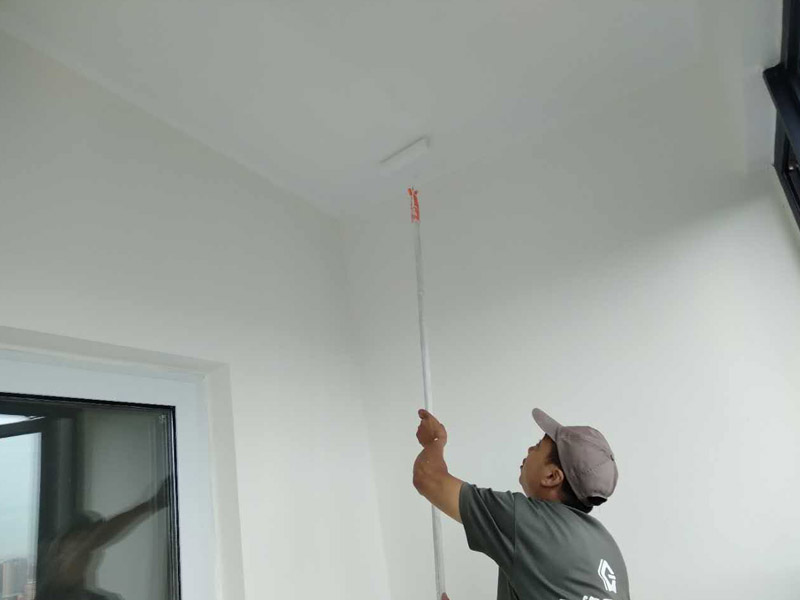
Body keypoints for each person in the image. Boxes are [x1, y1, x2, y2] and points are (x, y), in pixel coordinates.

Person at [413, 408, 630, 600]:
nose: (529, 450)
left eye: (538, 446)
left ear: (552, 476)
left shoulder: (526, 520)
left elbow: (427, 477)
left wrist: (435, 441)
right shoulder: (607, 547)